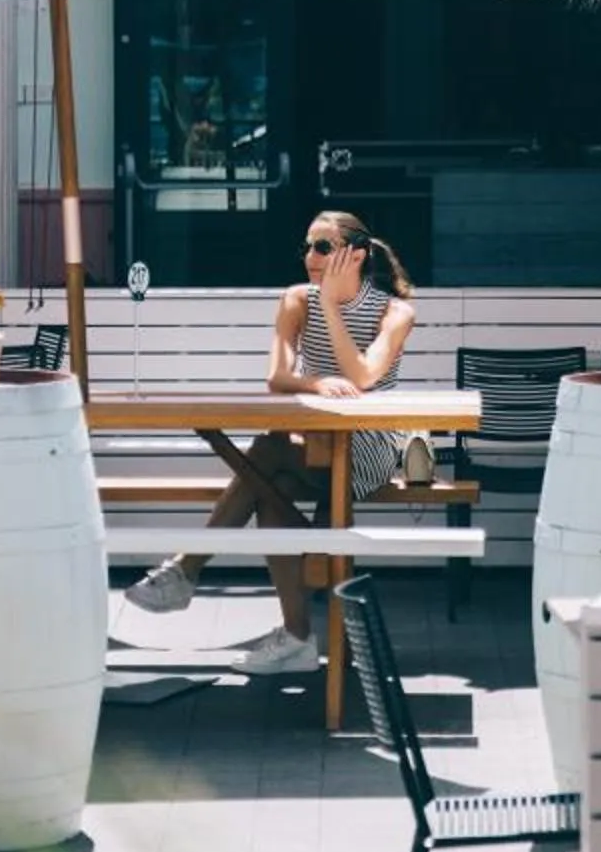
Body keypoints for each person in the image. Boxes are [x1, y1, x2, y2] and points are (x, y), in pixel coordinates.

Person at [123, 211, 419, 674]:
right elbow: (277, 377)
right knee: (267, 486)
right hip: (310, 444)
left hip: (369, 447)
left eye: (323, 247)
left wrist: (332, 308)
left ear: (356, 254)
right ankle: (296, 639)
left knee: (268, 453)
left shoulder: (394, 311)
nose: (310, 257)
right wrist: (317, 382)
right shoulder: (296, 300)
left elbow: (363, 376)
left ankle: (188, 568)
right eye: (306, 247)